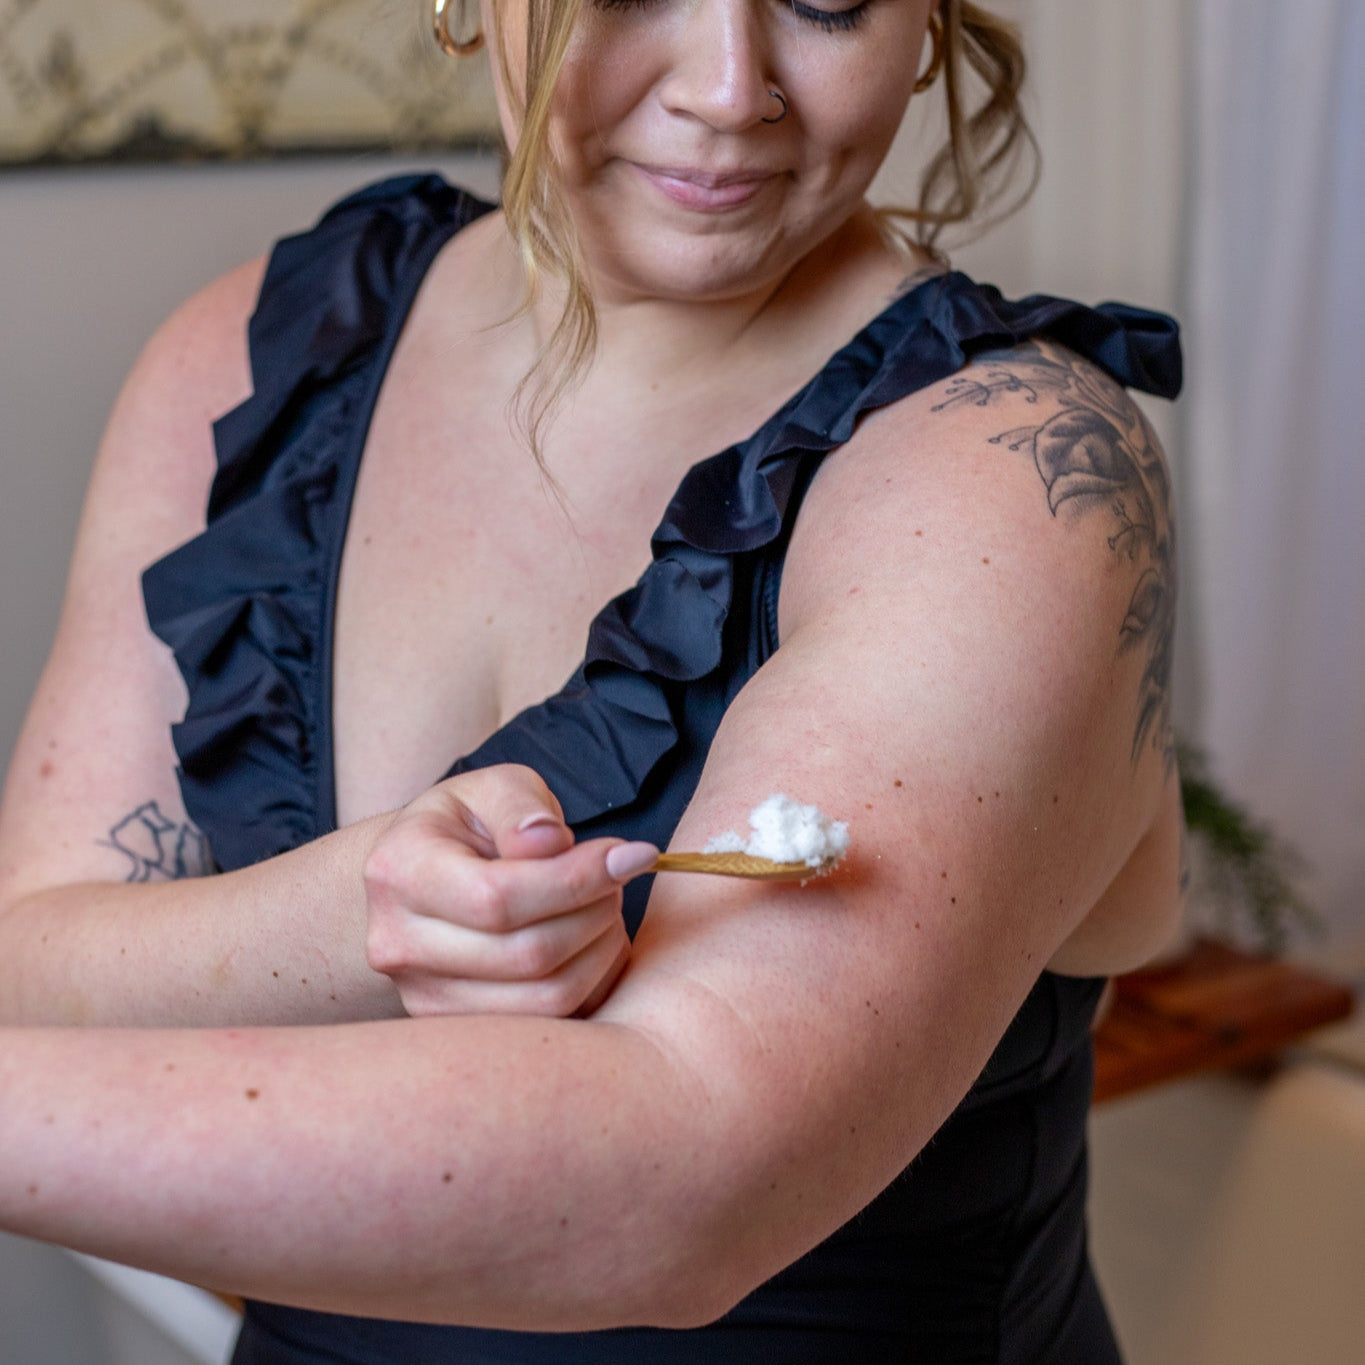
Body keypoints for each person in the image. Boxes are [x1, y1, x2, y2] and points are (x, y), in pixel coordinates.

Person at [0, 0, 1185, 1359]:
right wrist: (349, 914)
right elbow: (33, 970)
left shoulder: (1014, 473)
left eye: (827, 0)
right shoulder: (253, 360)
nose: (732, 88)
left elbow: (682, 1186)